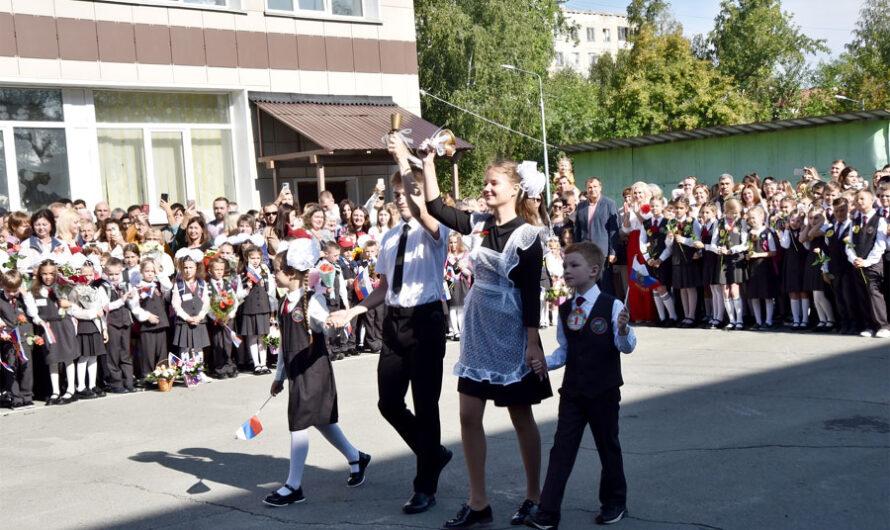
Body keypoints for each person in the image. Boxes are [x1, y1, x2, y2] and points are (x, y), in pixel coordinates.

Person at [412, 137, 552, 526]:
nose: (487, 188)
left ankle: (534, 497)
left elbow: (529, 293)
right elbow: (437, 207)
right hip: (477, 329)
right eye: (486, 183)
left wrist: (532, 343)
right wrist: (427, 162)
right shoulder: (479, 222)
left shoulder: (527, 235)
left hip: (510, 331)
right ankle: (479, 504)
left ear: (515, 189)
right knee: (469, 415)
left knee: (520, 416)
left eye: (494, 183)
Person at [327, 138, 452, 518]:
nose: (400, 199)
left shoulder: (436, 229)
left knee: (426, 405)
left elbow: (428, 213)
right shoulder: (389, 237)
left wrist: (403, 158)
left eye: (407, 192)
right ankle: (433, 453)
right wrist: (353, 311)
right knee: (388, 402)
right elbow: (384, 287)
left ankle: (424, 486)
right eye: (396, 193)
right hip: (396, 321)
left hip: (426, 319)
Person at [527, 241, 636, 529]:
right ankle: (547, 513)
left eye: (574, 265)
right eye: (564, 266)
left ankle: (614, 502)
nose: (566, 271)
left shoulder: (613, 306)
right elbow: (564, 350)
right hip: (573, 392)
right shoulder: (565, 310)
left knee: (607, 446)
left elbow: (625, 346)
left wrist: (624, 330)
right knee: (561, 449)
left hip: (604, 391)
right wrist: (544, 364)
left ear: (594, 270)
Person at [263, 236, 370, 507]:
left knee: (298, 423)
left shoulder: (311, 301)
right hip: (297, 371)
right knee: (322, 420)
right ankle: (357, 457)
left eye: (275, 271)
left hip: (314, 370)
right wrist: (279, 377)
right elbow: (287, 343)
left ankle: (293, 486)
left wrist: (333, 322)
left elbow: (324, 325)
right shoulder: (284, 303)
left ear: (290, 273)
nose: (273, 275)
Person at [25, 260, 80, 405]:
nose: (48, 277)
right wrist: (40, 322)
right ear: (39, 275)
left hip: (64, 324)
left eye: (51, 273)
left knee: (68, 357)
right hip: (48, 327)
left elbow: (75, 307)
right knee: (52, 359)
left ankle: (70, 390)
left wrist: (68, 305)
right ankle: (55, 391)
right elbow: (33, 313)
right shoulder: (34, 291)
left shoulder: (63, 288)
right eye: (44, 274)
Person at [845, 190, 890, 338]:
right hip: (858, 264)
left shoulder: (880, 220)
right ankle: (868, 325)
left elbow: (880, 244)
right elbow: (849, 243)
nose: (859, 202)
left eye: (862, 199)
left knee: (874, 293)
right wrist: (854, 259)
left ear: (872, 200)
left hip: (872, 264)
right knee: (862, 294)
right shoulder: (855, 221)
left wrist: (867, 261)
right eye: (857, 199)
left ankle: (882, 325)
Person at [97, 257, 138, 393]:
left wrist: (133, 296)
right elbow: (106, 307)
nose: (114, 277)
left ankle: (129, 381)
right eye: (111, 274)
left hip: (125, 321)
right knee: (113, 354)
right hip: (112, 323)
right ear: (106, 274)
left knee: (125, 353)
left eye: (116, 274)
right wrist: (122, 300)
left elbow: (132, 304)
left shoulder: (125, 285)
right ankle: (116, 383)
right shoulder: (103, 288)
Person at [573, 177, 619, 295]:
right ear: (586, 189)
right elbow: (577, 230)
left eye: (595, 186)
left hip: (602, 253)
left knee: (605, 285)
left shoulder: (609, 204)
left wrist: (612, 252)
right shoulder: (581, 206)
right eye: (589, 187)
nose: (592, 189)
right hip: (585, 253)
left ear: (600, 187)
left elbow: (613, 230)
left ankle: (608, 311)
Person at [131, 258, 172, 382]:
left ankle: (162, 374)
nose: (150, 273)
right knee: (147, 352)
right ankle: (147, 376)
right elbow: (135, 307)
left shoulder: (158, 285)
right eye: (147, 271)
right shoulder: (137, 288)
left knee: (161, 351)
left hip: (161, 324)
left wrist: (158, 272)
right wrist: (147, 316)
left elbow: (169, 286)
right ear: (141, 272)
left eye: (152, 271)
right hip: (147, 326)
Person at [237, 245, 276, 374]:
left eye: (258, 258)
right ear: (247, 258)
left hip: (264, 307)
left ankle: (264, 363)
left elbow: (271, 292)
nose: (255, 261)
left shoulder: (265, 272)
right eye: (252, 258)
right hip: (250, 308)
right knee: (252, 337)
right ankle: (256, 364)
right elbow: (239, 295)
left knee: (262, 336)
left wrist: (273, 310)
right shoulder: (243, 274)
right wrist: (247, 288)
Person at [0, 270, 35, 408]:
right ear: (2, 285)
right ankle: (15, 397)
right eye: (9, 291)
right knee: (10, 367)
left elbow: (33, 312)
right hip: (9, 338)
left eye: (15, 290)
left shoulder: (24, 297)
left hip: (25, 336)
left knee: (26, 366)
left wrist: (25, 295)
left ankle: (27, 395)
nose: (13, 294)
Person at [714, 199, 748, 330]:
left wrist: (732, 250)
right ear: (726, 211)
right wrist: (718, 249)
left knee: (734, 287)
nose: (736, 216)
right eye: (733, 213)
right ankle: (731, 320)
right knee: (725, 289)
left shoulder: (741, 222)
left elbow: (745, 243)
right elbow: (714, 241)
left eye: (737, 213)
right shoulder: (719, 223)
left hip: (735, 258)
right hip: (723, 258)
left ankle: (739, 320)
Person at [171, 250, 211, 359]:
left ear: (196, 268)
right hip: (184, 321)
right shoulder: (179, 284)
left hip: (199, 320)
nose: (188, 270)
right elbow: (175, 304)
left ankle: (198, 370)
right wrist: (187, 318)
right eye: (185, 268)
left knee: (198, 347)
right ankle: (186, 370)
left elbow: (206, 302)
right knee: (185, 347)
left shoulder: (202, 284)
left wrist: (200, 316)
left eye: (191, 267)